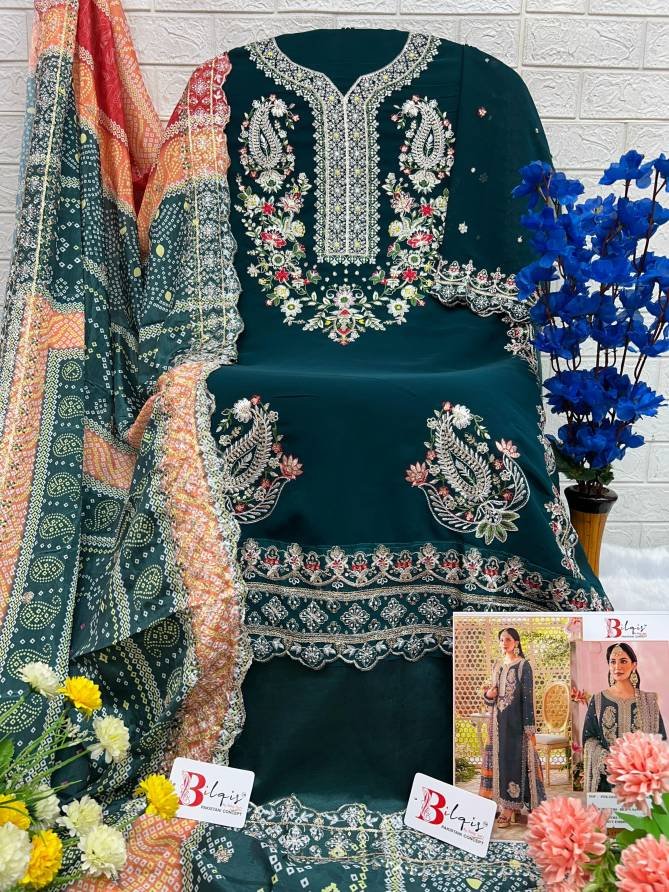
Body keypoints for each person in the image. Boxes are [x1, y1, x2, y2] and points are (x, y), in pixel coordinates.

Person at [479, 628, 546, 827]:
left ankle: (510, 808)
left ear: (516, 642)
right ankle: (502, 804)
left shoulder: (524, 666)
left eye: (508, 639)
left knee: (514, 761)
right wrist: (489, 695)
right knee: (499, 762)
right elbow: (491, 698)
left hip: (516, 725)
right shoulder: (497, 666)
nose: (504, 643)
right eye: (501, 640)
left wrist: (529, 729)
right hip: (497, 724)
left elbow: (528, 700)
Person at [583, 642, 667, 793]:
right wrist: (608, 761)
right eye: (613, 662)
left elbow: (660, 741)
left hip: (641, 781)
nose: (617, 667)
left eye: (623, 661)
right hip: (607, 781)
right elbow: (589, 739)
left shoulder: (649, 701)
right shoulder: (598, 700)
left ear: (634, 665)